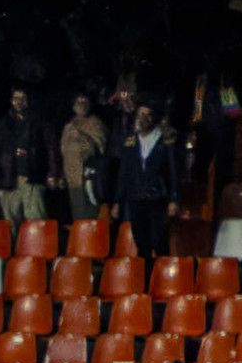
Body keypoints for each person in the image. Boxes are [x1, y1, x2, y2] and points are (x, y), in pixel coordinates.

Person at [108, 103, 177, 258]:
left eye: (147, 114)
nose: (143, 118)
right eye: (140, 114)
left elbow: (172, 172)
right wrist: (118, 201)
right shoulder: (130, 141)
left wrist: (174, 198)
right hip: (136, 197)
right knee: (141, 242)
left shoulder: (164, 139)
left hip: (157, 197)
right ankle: (145, 278)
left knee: (160, 241)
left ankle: (163, 278)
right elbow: (124, 172)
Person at [0, 87, 59, 226]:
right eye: (16, 98)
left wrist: (53, 173)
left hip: (31, 178)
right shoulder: (2, 124)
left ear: (28, 101)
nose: (19, 102)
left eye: (22, 98)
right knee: (10, 225)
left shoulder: (40, 122)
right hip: (7, 180)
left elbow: (51, 148)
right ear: (11, 101)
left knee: (36, 222)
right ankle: (14, 249)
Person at [60, 92, 110, 220]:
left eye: (85, 101)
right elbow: (64, 151)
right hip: (73, 179)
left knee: (91, 216)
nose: (81, 105)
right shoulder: (68, 126)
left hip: (89, 178)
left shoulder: (96, 123)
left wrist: (80, 137)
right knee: (78, 218)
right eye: (78, 101)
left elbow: (98, 148)